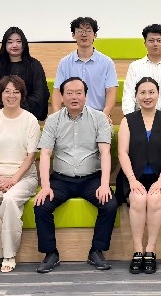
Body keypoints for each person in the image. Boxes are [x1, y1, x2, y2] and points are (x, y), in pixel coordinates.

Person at [34, 77, 118, 273]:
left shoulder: (99, 118)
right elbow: (45, 154)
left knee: (110, 204)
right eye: (69, 93)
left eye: (79, 93)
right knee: (41, 205)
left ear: (86, 96)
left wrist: (104, 184)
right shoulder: (53, 120)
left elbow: (105, 152)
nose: (74, 97)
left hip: (91, 178)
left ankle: (96, 251)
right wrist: (45, 186)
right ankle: (51, 253)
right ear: (62, 97)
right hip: (61, 179)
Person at [117, 77, 161, 274]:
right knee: (138, 198)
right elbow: (122, 153)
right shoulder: (127, 121)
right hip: (133, 176)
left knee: (154, 199)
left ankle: (150, 250)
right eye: (142, 92)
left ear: (158, 94)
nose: (147, 96)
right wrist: (132, 180)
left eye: (151, 92)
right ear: (136, 96)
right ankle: (138, 250)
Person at [0, 75, 41, 273]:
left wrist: (14, 179)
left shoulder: (30, 120)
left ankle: (9, 254)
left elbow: (31, 156)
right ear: (0, 94)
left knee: (10, 200)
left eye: (16, 92)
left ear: (22, 95)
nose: (11, 95)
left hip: (24, 177)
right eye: (7, 91)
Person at [52, 16, 117, 115]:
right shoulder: (64, 62)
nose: (84, 34)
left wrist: (104, 115)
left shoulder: (107, 62)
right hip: (71, 115)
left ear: (95, 35)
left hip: (98, 114)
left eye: (88, 31)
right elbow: (57, 91)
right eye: (80, 31)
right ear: (73, 35)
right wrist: (57, 116)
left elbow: (111, 91)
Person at [0, 26, 49, 121]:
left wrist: (17, 111)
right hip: (1, 119)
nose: (14, 45)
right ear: (4, 45)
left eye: (18, 41)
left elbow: (40, 95)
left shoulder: (34, 66)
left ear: (24, 44)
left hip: (27, 118)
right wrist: (5, 110)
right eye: (10, 42)